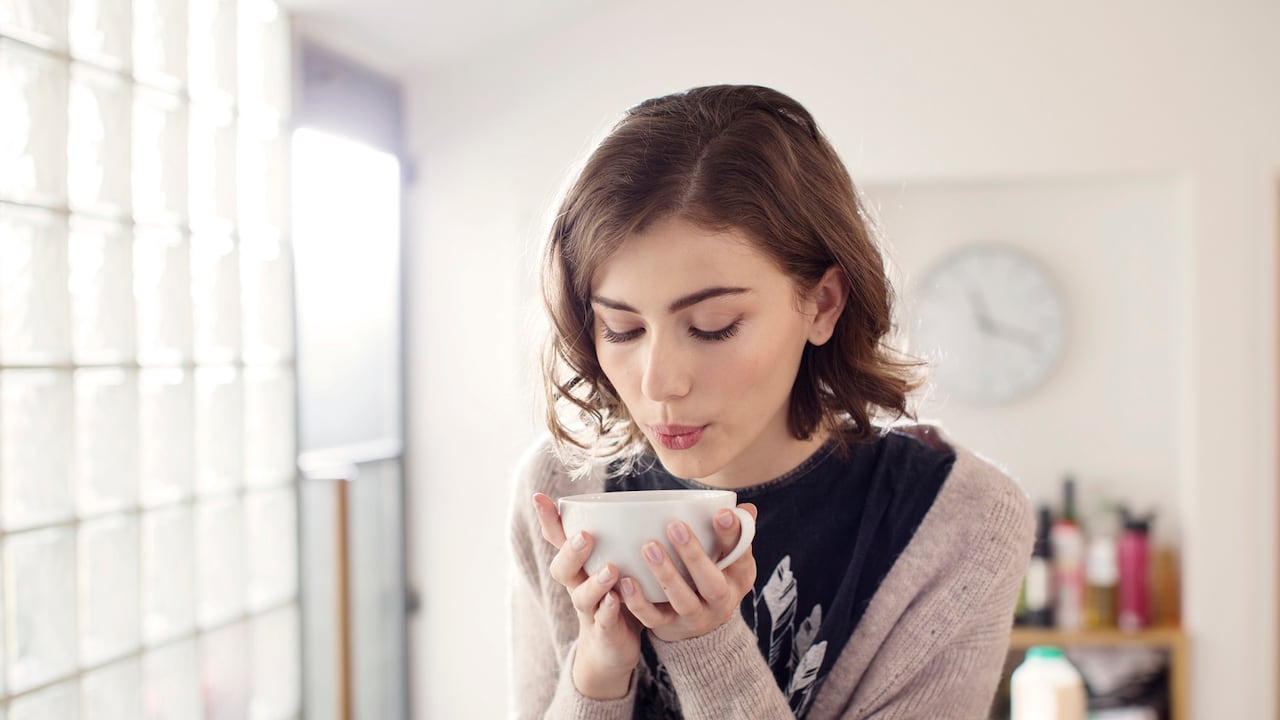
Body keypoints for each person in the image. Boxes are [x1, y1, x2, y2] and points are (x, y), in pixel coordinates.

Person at [510, 84, 1034, 719]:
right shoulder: (562, 485)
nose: (658, 383)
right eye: (621, 329)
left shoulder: (961, 522)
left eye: (712, 325)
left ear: (822, 304)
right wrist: (596, 670)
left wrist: (708, 649)